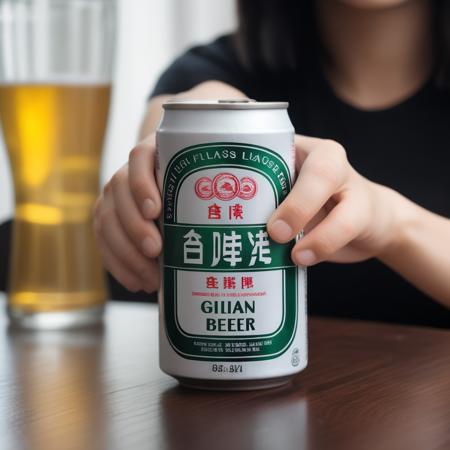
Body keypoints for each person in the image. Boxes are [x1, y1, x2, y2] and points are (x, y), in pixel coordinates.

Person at [94, 0, 450, 328]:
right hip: (256, 396)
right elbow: (169, 125)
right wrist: (210, 117)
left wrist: (392, 223)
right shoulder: (210, 68)